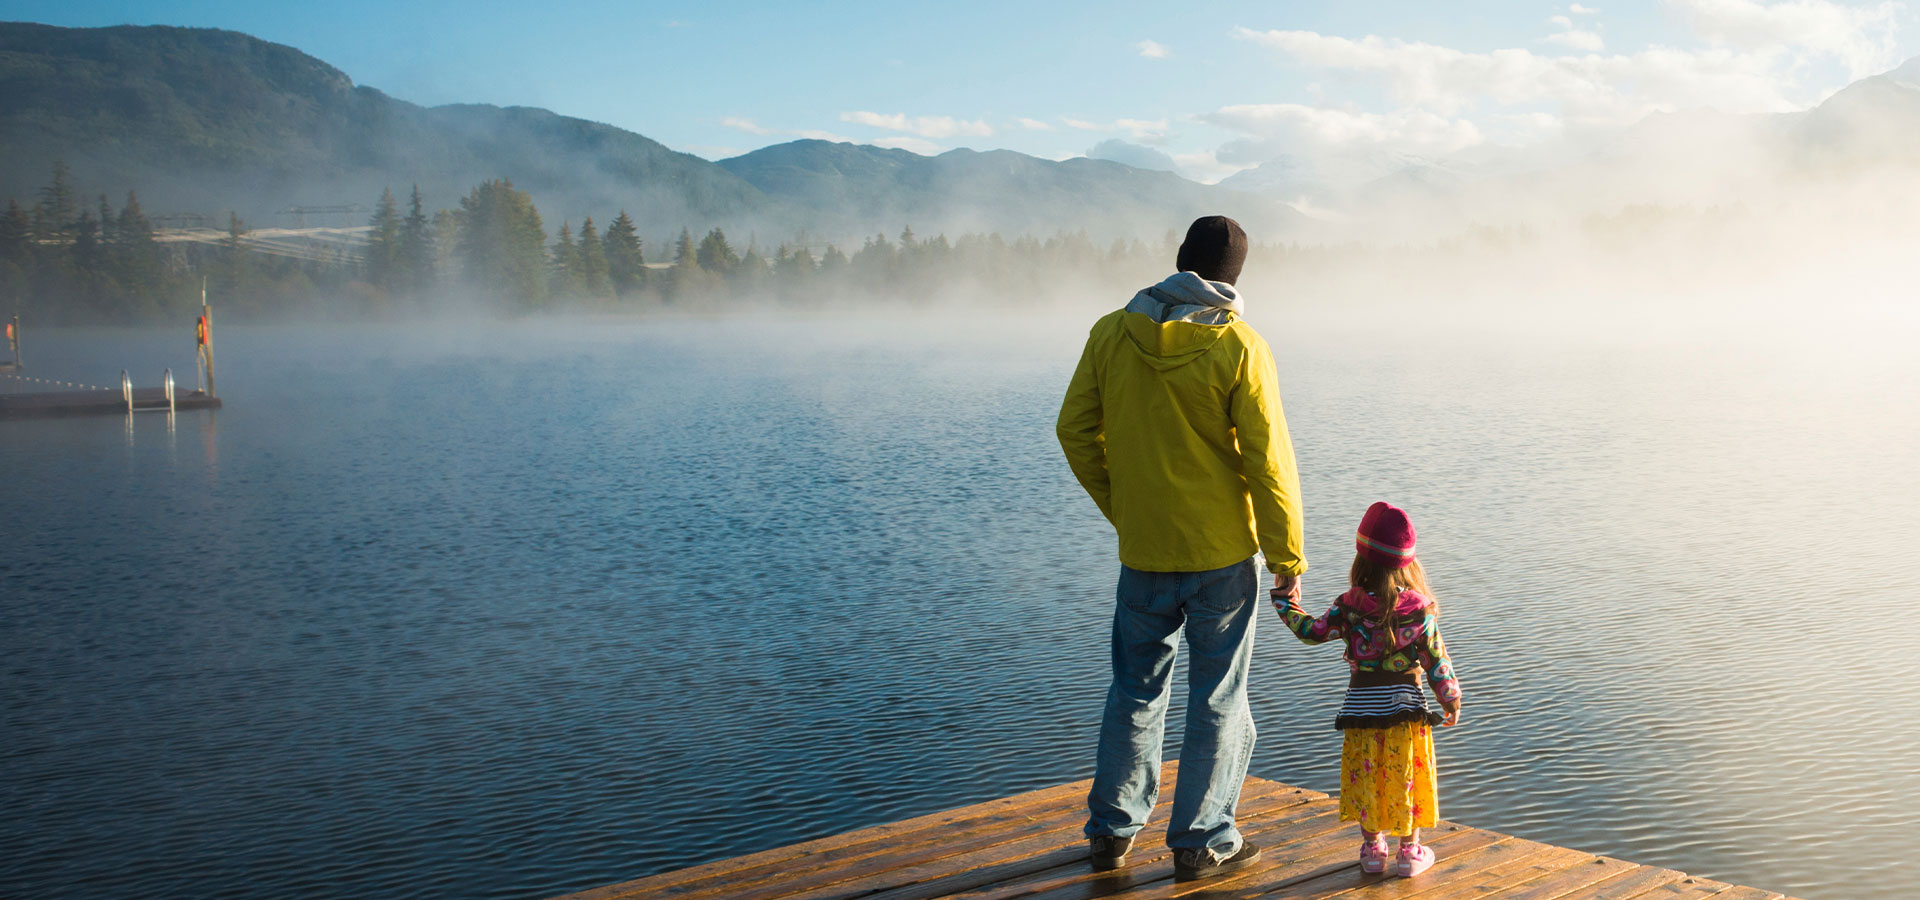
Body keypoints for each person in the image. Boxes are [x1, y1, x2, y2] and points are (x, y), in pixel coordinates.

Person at [1057, 215, 1306, 882]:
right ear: (1233, 278)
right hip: (1222, 555)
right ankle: (1202, 840)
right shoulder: (1242, 346)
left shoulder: (1112, 332)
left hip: (1144, 552)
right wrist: (1287, 559)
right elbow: (1269, 463)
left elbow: (1074, 429)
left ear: (1177, 261)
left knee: (1134, 691)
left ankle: (1112, 831)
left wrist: (1127, 509)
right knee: (1218, 698)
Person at [1272, 501, 1462, 878]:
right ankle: (1409, 852)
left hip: (1360, 713)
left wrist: (1285, 598)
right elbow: (1437, 663)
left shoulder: (1349, 606)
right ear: (1407, 562)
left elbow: (1310, 632)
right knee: (1405, 775)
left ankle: (1373, 850)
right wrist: (1450, 700)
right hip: (1406, 714)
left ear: (1362, 560)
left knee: (1368, 774)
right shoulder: (1421, 610)